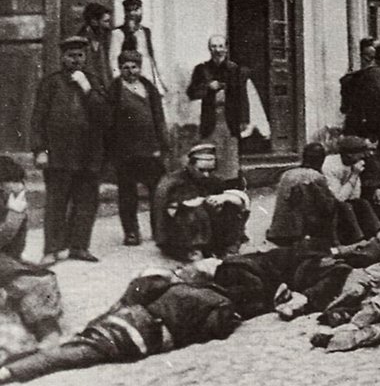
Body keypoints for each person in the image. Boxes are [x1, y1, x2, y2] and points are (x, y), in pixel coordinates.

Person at [0, 266, 238, 385]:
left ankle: (13, 362)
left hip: (124, 318)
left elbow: (137, 291)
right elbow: (215, 329)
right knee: (69, 356)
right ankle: (8, 371)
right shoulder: (218, 301)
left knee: (70, 347)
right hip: (138, 337)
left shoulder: (172, 285)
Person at [32, 35, 109, 264]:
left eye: (80, 55)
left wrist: (87, 89)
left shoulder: (94, 81)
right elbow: (38, 119)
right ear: (62, 57)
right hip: (59, 153)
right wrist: (40, 150)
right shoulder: (51, 83)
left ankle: (79, 246)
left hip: (88, 153)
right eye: (71, 55)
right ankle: (52, 249)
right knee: (57, 201)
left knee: (86, 201)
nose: (76, 60)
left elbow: (105, 116)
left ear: (86, 57)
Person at [106, 49, 170, 246]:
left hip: (150, 148)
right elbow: (108, 122)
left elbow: (159, 116)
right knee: (127, 193)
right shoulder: (115, 89)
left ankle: (159, 230)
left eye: (134, 67)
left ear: (140, 68)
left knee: (158, 192)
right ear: (120, 69)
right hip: (125, 151)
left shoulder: (148, 87)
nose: (130, 71)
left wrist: (163, 144)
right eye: (125, 67)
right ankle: (131, 232)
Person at [0, 157, 61, 358]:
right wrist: (13, 217)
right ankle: (47, 334)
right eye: (7, 190)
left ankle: (48, 333)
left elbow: (16, 249)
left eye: (19, 188)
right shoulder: (12, 209)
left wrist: (16, 216)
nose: (15, 193)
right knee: (31, 283)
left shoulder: (14, 204)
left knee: (42, 280)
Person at [154, 144, 250, 262]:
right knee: (193, 211)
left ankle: (229, 247)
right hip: (178, 234)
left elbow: (237, 199)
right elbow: (174, 209)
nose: (206, 175)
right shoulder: (174, 182)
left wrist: (224, 198)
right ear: (190, 165)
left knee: (231, 205)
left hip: (204, 228)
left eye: (210, 170)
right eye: (202, 170)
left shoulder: (213, 180)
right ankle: (195, 250)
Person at [186, 35, 251, 186]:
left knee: (229, 159)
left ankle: (229, 189)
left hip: (230, 121)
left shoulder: (235, 70)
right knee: (209, 158)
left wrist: (244, 119)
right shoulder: (202, 69)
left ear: (226, 49)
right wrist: (207, 87)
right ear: (209, 49)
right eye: (214, 47)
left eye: (221, 46)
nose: (218, 50)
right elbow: (191, 93)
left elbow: (243, 96)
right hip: (210, 120)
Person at [266, 142, 338, 251]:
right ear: (321, 160)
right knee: (335, 206)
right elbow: (328, 206)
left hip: (278, 231)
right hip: (298, 233)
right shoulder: (316, 176)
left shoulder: (287, 173)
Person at [109, 0, 165, 95]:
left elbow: (150, 56)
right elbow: (114, 59)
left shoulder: (145, 32)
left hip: (147, 74)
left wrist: (158, 81)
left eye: (136, 10)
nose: (132, 14)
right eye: (129, 11)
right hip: (130, 75)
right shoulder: (118, 33)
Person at [76, 1, 114, 91]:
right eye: (106, 21)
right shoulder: (80, 41)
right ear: (94, 22)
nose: (109, 26)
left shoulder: (104, 39)